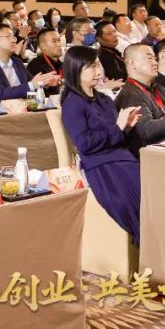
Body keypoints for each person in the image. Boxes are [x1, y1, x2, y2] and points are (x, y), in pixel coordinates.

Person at [59, 46, 141, 240]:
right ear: (76, 69)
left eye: (98, 65)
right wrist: (118, 127)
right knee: (139, 200)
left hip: (122, 158)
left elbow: (116, 134)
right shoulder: (73, 103)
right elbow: (85, 144)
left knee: (155, 193)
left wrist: (126, 127)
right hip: (101, 165)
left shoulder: (103, 98)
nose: (99, 71)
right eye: (92, 67)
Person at [0, 25, 57, 101]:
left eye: (14, 37)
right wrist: (32, 85)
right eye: (9, 37)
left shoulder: (17, 62)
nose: (14, 40)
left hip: (25, 107)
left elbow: (32, 82)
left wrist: (45, 82)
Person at [26, 28, 63, 97]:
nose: (59, 44)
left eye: (59, 40)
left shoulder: (63, 65)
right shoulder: (35, 66)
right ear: (43, 46)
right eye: (54, 41)